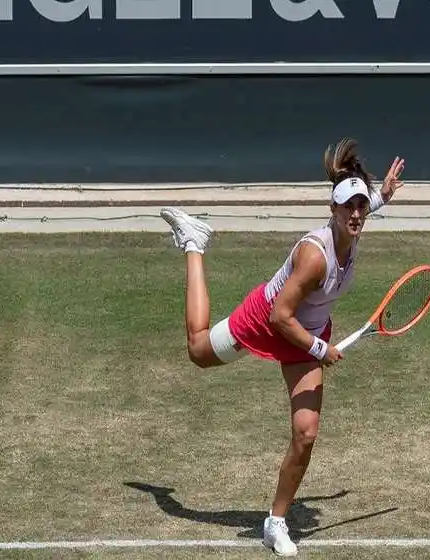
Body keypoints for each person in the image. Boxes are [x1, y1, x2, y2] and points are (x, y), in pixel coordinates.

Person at [159, 138, 405, 556]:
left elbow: (365, 213)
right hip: (269, 319)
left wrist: (382, 195)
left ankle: (275, 522)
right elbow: (279, 318)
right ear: (333, 210)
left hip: (306, 335)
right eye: (350, 206)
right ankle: (194, 244)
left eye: (362, 206)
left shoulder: (355, 226)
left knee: (306, 434)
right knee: (198, 351)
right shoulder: (315, 257)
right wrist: (319, 350)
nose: (358, 213)